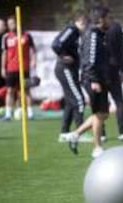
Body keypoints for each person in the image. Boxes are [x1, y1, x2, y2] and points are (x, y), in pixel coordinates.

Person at [65, 8, 110, 158]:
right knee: (99, 115)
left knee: (103, 114)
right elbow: (89, 60)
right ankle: (97, 148)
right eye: (108, 18)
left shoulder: (97, 34)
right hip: (92, 79)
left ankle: (75, 134)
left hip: (98, 78)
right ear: (101, 19)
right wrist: (94, 80)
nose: (110, 20)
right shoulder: (92, 34)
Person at [91, 6, 123, 142]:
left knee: (103, 104)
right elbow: (121, 50)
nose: (110, 19)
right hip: (111, 70)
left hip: (103, 71)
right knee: (118, 102)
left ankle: (102, 134)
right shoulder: (115, 27)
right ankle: (122, 133)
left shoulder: (94, 30)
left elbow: (120, 49)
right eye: (108, 16)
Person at [52, 12, 87, 141]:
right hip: (65, 69)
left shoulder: (76, 33)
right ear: (80, 21)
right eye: (85, 23)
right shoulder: (72, 29)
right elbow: (56, 44)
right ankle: (80, 133)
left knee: (70, 102)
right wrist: (62, 56)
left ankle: (64, 133)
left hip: (69, 70)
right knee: (79, 101)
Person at [1, 16, 37, 120]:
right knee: (10, 91)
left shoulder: (27, 35)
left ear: (17, 23)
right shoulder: (6, 37)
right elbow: (4, 53)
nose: (10, 25)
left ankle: (30, 113)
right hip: (11, 68)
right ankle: (8, 114)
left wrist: (34, 61)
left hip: (24, 68)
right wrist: (3, 68)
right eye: (9, 24)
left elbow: (33, 50)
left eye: (12, 23)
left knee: (26, 90)